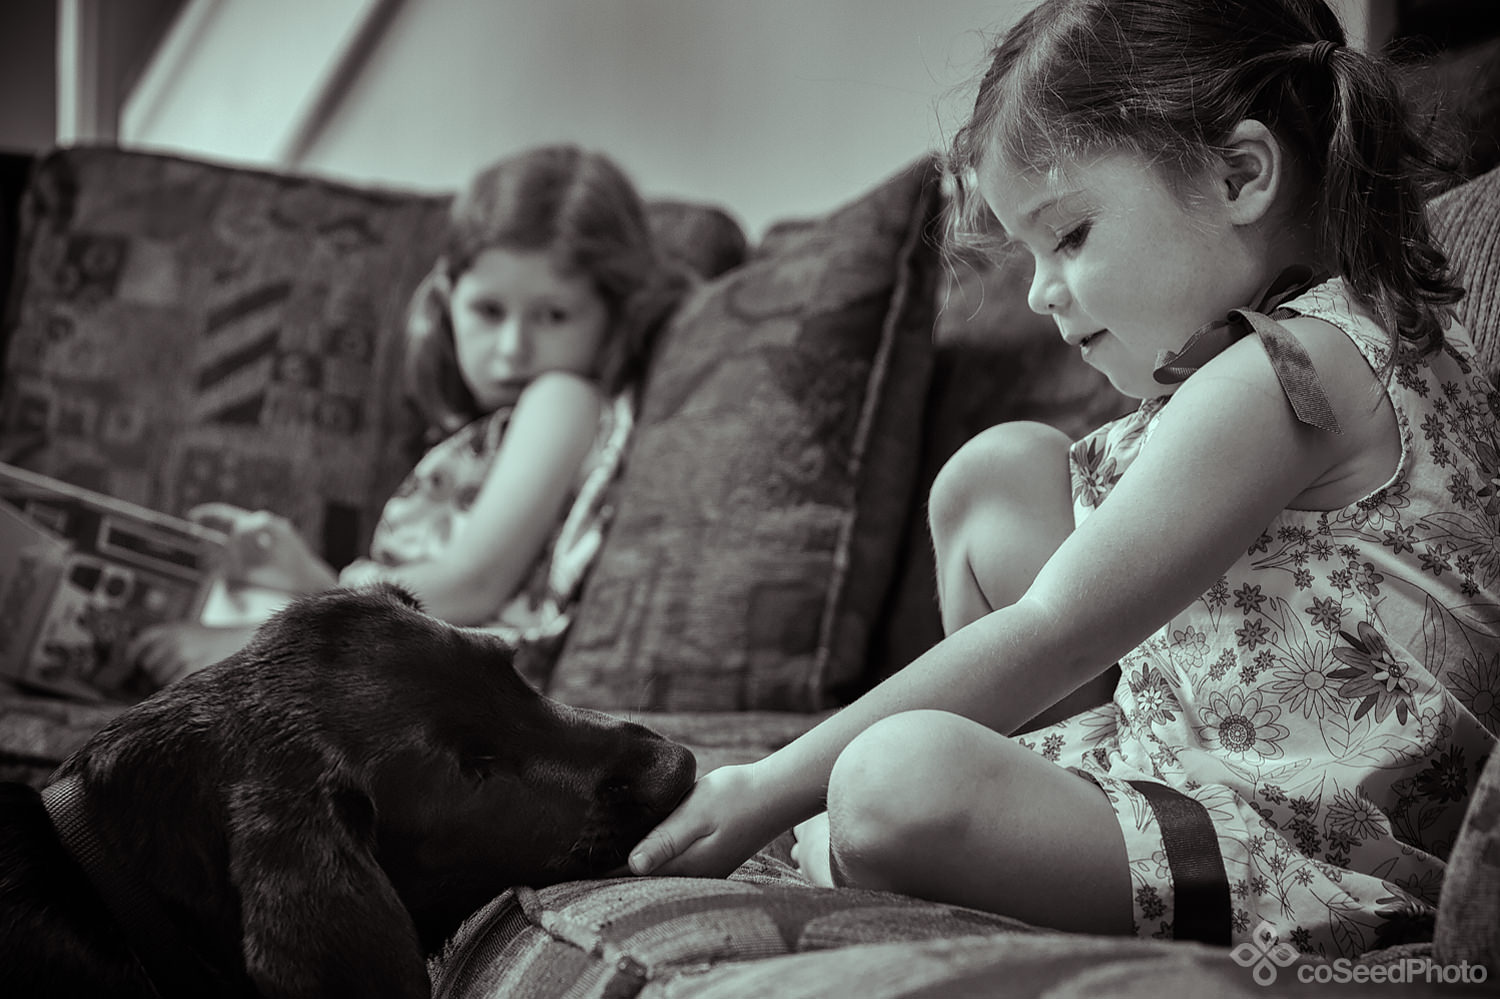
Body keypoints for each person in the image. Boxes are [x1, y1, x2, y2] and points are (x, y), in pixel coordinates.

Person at [626, 0, 1500, 958]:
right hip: (1198, 768)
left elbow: (1054, 627)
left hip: (1304, 855)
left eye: (1071, 235)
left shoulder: (1286, 375)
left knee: (886, 784)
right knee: (999, 472)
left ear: (1239, 174)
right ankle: (1027, 808)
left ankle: (983, 826)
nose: (1041, 291)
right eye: (1032, 253)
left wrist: (767, 784)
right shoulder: (1338, 339)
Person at [129, 145, 690, 684]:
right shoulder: (500, 427)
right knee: (222, 590)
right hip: (410, 648)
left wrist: (260, 642)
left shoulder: (562, 399)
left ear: (614, 317)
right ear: (448, 300)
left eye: (554, 315)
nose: (513, 348)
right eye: (489, 311)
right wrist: (309, 579)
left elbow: (474, 585)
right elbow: (420, 605)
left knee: (227, 622)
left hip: (466, 684)